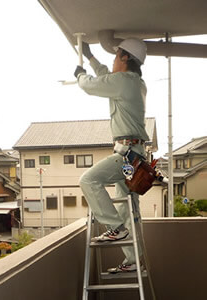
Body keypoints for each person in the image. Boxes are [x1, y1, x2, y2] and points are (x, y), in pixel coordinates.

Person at [74, 38, 149, 273]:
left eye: (116, 55)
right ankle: (133, 260)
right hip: (134, 157)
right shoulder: (135, 83)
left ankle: (115, 228)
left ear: (125, 57)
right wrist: (91, 57)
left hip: (126, 156)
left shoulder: (123, 82)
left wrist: (80, 75)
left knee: (88, 180)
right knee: (127, 208)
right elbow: (107, 75)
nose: (114, 60)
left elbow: (92, 85)